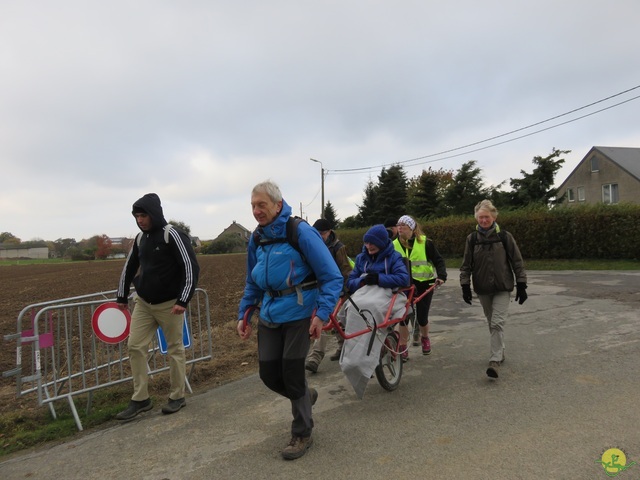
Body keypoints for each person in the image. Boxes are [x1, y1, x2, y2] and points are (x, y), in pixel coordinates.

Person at [237, 181, 342, 460]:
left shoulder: (300, 232)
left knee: (293, 371)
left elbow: (332, 276)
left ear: (278, 205)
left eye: (262, 204)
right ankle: (306, 396)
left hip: (300, 312)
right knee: (270, 375)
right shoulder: (257, 238)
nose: (257, 211)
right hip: (270, 313)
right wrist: (244, 312)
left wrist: (321, 314)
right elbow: (252, 280)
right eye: (253, 205)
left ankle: (302, 433)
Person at [115, 193, 200, 420]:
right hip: (143, 302)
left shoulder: (172, 235)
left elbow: (190, 268)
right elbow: (130, 266)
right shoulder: (140, 239)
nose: (140, 220)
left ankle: (177, 396)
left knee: (174, 349)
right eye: (137, 216)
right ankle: (141, 399)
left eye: (144, 215)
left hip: (170, 304)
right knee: (135, 346)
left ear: (154, 214)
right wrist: (121, 296)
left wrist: (183, 300)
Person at [459, 199, 527, 379]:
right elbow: (466, 265)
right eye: (480, 217)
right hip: (482, 288)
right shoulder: (472, 239)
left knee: (497, 322)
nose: (483, 220)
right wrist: (465, 285)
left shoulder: (505, 236)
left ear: (494, 217)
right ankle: (501, 350)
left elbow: (517, 262)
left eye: (486, 217)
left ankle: (494, 361)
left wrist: (521, 284)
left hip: (502, 287)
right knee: (492, 322)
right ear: (476, 218)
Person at [393, 215, 447, 359]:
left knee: (422, 318)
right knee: (402, 317)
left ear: (411, 228)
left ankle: (425, 337)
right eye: (398, 226)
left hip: (424, 284)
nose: (400, 229)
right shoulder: (393, 245)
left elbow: (438, 260)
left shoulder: (425, 243)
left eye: (403, 226)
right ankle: (403, 346)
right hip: (404, 286)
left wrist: (441, 276)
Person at [305, 218, 353, 373]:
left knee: (329, 320)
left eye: (323, 233)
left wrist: (347, 290)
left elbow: (345, 269)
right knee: (326, 320)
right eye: (317, 233)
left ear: (330, 232)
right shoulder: (311, 247)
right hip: (319, 290)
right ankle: (339, 348)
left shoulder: (338, 248)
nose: (320, 236)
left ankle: (315, 357)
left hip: (336, 290)